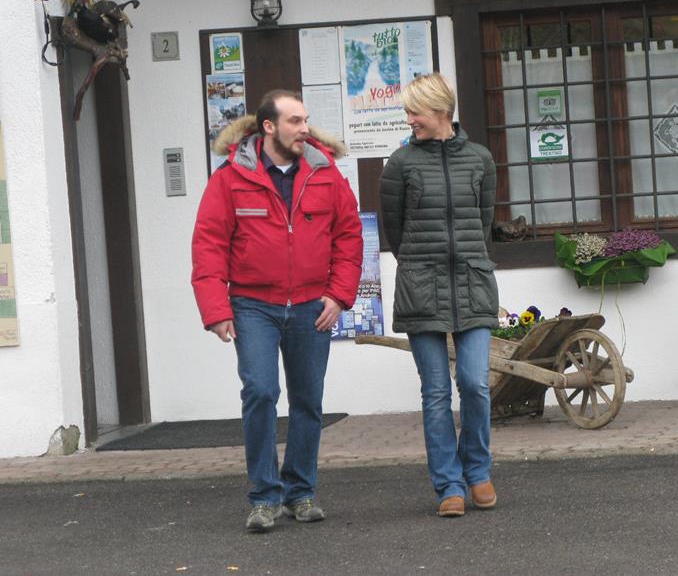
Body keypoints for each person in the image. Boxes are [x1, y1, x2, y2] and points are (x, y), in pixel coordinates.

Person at [191, 89, 363, 532]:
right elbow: (209, 246)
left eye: (306, 120)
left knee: (308, 400)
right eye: (294, 121)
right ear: (269, 127)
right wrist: (216, 310)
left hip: (311, 305)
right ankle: (265, 497)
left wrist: (339, 294)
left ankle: (300, 493)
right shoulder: (230, 177)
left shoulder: (326, 173)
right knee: (261, 392)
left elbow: (349, 236)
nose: (304, 129)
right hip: (252, 306)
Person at [379, 73, 499, 517]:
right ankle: (449, 485)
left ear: (441, 112)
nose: (410, 119)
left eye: (416, 112)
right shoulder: (400, 164)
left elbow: (483, 222)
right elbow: (395, 229)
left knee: (475, 384)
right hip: (421, 287)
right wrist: (419, 264)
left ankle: (479, 472)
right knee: (435, 392)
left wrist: (470, 259)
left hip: (472, 283)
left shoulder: (480, 160)